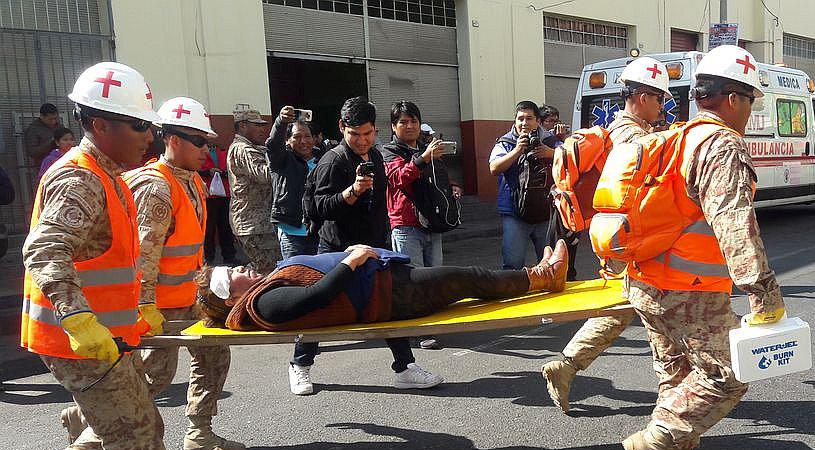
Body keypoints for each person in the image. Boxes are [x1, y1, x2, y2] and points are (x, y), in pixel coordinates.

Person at [18, 62, 217, 450]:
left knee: (134, 422)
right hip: (77, 338)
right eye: (139, 125)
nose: (149, 135)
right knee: (138, 427)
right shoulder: (81, 179)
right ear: (100, 124)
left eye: (149, 125)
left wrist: (137, 307)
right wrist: (79, 318)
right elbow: (44, 250)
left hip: (108, 333)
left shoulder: (111, 175)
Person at [619, 46, 785, 450]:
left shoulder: (677, 136)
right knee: (730, 372)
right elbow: (733, 219)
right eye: (752, 99)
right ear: (733, 99)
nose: (751, 110)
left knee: (677, 376)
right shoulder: (721, 143)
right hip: (687, 287)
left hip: (646, 280)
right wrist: (762, 290)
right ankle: (654, 443)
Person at [117, 96, 245, 450]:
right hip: (160, 308)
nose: (208, 149)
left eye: (209, 142)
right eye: (200, 141)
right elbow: (143, 257)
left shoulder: (193, 182)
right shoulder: (155, 187)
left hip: (192, 301)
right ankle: (91, 426)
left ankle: (200, 434)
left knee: (214, 358)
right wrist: (144, 306)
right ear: (172, 139)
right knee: (153, 379)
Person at [541, 56, 669, 414]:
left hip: (614, 237)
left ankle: (565, 367)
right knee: (660, 309)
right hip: (633, 239)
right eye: (660, 98)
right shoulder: (634, 138)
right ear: (642, 96)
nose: (662, 106)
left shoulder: (614, 130)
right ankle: (673, 398)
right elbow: (645, 194)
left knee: (622, 307)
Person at [298, 96, 442, 395]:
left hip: (373, 245)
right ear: (342, 128)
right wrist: (351, 192)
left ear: (375, 130)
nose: (362, 140)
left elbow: (380, 204)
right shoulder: (333, 160)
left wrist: (382, 241)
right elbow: (321, 208)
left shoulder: (376, 157)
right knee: (320, 309)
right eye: (355, 134)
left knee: (389, 304)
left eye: (367, 133)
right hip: (336, 250)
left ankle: (404, 368)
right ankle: (300, 364)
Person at [197, 240, 569, 334]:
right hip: (390, 296)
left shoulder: (259, 295)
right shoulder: (262, 305)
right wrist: (352, 259)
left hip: (386, 286)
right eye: (233, 274)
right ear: (231, 296)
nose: (240, 267)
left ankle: (539, 274)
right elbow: (319, 295)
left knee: (468, 279)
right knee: (470, 277)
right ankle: (542, 276)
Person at [382, 101, 463, 350]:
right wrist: (423, 158)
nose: (409, 126)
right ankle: (417, 330)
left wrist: (453, 187)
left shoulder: (427, 148)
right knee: (412, 276)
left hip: (432, 220)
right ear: (394, 127)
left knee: (434, 273)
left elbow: (439, 177)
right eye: (403, 122)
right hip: (406, 223)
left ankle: (431, 322)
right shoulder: (387, 151)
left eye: (413, 121)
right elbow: (398, 178)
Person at [489, 100, 560, 270]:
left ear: (537, 121)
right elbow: (494, 168)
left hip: (545, 212)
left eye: (529, 118)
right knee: (513, 265)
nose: (524, 123)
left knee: (550, 264)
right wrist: (516, 151)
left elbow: (570, 157)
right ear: (514, 121)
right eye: (520, 118)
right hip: (514, 214)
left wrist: (550, 152)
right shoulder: (505, 142)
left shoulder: (550, 141)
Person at [227, 106, 279, 273]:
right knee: (267, 270)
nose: (262, 129)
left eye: (263, 125)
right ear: (242, 126)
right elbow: (266, 175)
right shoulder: (243, 149)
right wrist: (281, 159)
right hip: (254, 224)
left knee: (264, 269)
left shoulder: (254, 147)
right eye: (256, 125)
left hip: (257, 222)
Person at [269, 105, 319, 259]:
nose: (303, 141)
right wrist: (280, 122)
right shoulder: (282, 160)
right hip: (292, 233)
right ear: (287, 140)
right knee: (296, 278)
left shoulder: (324, 159)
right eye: (297, 137)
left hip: (319, 232)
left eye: (307, 136)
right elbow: (273, 145)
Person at [199, 143, 237, 265]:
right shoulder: (199, 152)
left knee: (226, 227)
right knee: (208, 228)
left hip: (224, 194)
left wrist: (224, 173)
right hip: (208, 195)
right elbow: (196, 170)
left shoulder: (224, 152)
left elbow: (232, 169)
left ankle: (229, 256)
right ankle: (208, 258)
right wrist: (207, 172)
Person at [24, 103, 63, 169]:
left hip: (61, 162)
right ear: (42, 117)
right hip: (43, 165)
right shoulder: (33, 129)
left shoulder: (59, 126)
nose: (53, 121)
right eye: (50, 119)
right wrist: (51, 142)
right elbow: (32, 152)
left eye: (55, 118)